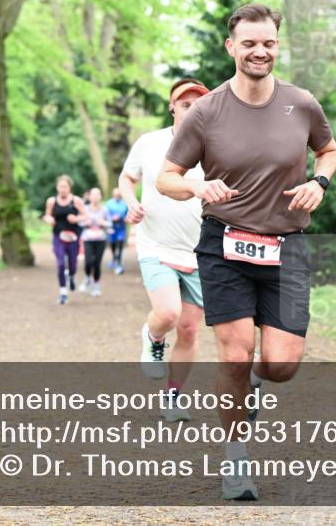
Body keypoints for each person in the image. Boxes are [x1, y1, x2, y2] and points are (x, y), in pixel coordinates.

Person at [157, 4, 336, 501]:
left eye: (269, 43)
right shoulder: (206, 110)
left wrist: (319, 182)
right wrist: (198, 188)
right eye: (250, 43)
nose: (260, 51)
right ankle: (235, 459)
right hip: (225, 244)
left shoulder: (301, 103)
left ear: (277, 46)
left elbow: (328, 148)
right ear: (231, 47)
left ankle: (255, 388)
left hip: (288, 245)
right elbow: (165, 178)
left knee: (281, 365)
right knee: (236, 355)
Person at [119, 79, 211, 423]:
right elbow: (127, 179)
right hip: (155, 244)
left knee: (189, 329)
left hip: (199, 251)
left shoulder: (215, 146)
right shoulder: (150, 143)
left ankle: (173, 396)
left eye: (197, 103)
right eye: (184, 103)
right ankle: (153, 335)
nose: (191, 108)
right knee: (169, 314)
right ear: (172, 107)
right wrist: (131, 204)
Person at [42, 175, 87, 305]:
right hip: (58, 237)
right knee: (61, 263)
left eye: (65, 187)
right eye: (61, 187)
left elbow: (85, 216)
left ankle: (71, 276)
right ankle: (63, 292)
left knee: (72, 265)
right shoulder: (51, 201)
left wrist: (76, 219)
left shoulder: (76, 201)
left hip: (73, 237)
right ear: (57, 187)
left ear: (69, 187)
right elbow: (47, 215)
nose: (63, 189)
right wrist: (48, 219)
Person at [81, 187, 112, 297]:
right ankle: (88, 278)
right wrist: (86, 222)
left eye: (97, 195)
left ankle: (96, 286)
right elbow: (79, 223)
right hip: (88, 238)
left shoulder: (105, 210)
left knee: (97, 263)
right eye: (93, 195)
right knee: (88, 262)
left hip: (101, 239)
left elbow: (110, 223)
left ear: (100, 197)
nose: (95, 197)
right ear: (89, 197)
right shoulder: (84, 209)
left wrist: (103, 223)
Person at [106, 189, 129, 274]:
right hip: (112, 228)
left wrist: (126, 219)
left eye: (119, 195)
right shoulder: (109, 203)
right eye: (116, 194)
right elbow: (106, 215)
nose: (117, 196)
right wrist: (112, 218)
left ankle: (119, 262)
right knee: (112, 244)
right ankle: (113, 257)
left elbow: (128, 215)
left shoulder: (124, 204)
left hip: (121, 228)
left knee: (120, 243)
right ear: (113, 195)